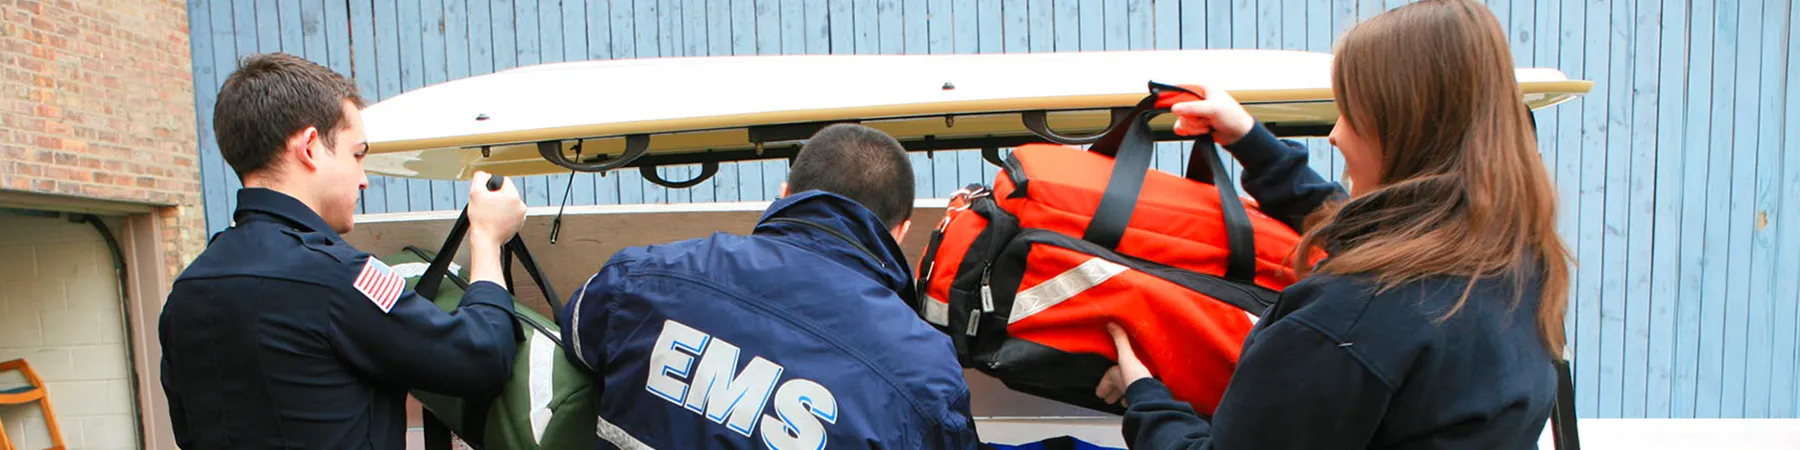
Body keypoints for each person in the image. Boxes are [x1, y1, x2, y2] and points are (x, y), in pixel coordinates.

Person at [1093, 1, 1572, 448]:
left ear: (1406, 131)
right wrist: (1250, 141)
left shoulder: (1352, 316)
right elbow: (1369, 226)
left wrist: (1145, 395)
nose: (1335, 134)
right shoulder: (1517, 257)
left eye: (1351, 113)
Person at [158, 53, 529, 449]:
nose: (364, 179)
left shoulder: (187, 291)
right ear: (310, 147)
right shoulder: (337, 277)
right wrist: (487, 238)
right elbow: (480, 360)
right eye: (357, 154)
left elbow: (187, 431)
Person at [557, 123, 980, 449]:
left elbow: (572, 345)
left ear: (785, 193)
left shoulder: (642, 278)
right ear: (901, 231)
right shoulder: (925, 375)